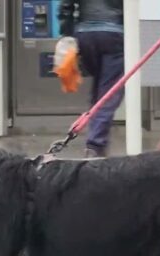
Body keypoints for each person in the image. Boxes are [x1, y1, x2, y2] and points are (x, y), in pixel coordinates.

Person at [58, 0, 126, 158]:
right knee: (108, 93)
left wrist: (67, 33)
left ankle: (95, 141)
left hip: (85, 34)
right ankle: (95, 145)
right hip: (114, 33)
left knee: (98, 89)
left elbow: (65, 6)